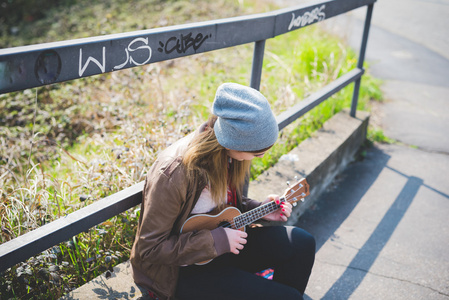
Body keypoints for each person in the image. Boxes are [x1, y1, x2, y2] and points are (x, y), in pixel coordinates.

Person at [130, 83, 315, 300]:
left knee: (301, 242)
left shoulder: (229, 155)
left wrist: (260, 209)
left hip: (221, 247)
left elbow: (216, 210)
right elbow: (149, 249)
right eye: (257, 153)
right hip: (179, 272)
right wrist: (215, 241)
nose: (262, 157)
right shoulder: (174, 172)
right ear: (234, 141)